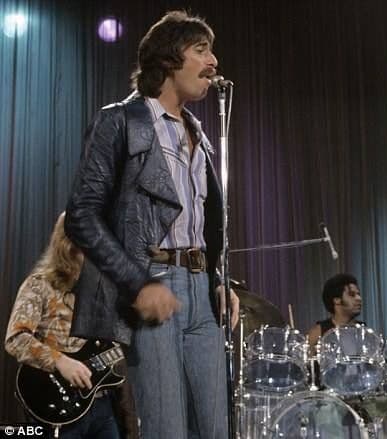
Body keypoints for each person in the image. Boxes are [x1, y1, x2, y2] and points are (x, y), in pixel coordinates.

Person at [64, 11, 239, 439]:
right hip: (154, 285)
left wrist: (217, 281)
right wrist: (138, 284)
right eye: (201, 50)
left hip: (202, 295)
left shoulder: (199, 135)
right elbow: (82, 215)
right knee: (167, 429)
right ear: (168, 59)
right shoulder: (121, 121)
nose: (213, 61)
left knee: (216, 429)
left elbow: (204, 225)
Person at [5, 213, 138, 439]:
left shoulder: (106, 290)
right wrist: (60, 362)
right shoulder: (40, 284)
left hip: (102, 406)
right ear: (68, 242)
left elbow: (116, 352)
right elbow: (15, 339)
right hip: (58, 405)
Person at [307, 274, 387, 439]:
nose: (359, 299)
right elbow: (307, 369)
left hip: (367, 396)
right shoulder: (319, 332)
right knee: (326, 410)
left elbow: (379, 366)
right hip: (335, 396)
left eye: (359, 294)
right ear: (337, 300)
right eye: (352, 294)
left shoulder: (365, 331)